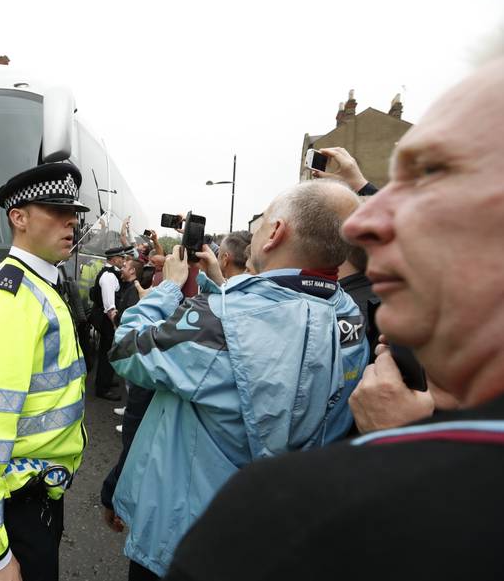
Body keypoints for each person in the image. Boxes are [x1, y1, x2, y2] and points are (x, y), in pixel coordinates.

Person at [164, 53, 504, 581]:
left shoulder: (278, 513)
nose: (361, 225)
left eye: (431, 177)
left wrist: (401, 459)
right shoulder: (343, 308)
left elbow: (134, 349)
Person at [106, 180, 369, 579]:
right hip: (273, 538)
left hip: (187, 540)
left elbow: (126, 349)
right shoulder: (350, 317)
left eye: (261, 223)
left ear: (276, 232)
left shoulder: (218, 321)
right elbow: (271, 331)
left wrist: (169, 289)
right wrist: (224, 287)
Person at [0, 162, 90, 581]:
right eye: (57, 210)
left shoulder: (38, 286)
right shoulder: (5, 300)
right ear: (18, 218)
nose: (71, 221)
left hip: (38, 494)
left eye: (73, 212)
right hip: (18, 504)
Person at [89, 246, 129, 401]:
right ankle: (102, 388)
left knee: (107, 351)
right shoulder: (108, 276)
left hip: (106, 319)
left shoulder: (111, 274)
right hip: (107, 319)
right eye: (121, 258)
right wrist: (115, 324)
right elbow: (109, 306)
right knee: (106, 353)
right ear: (113, 259)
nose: (123, 260)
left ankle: (106, 380)